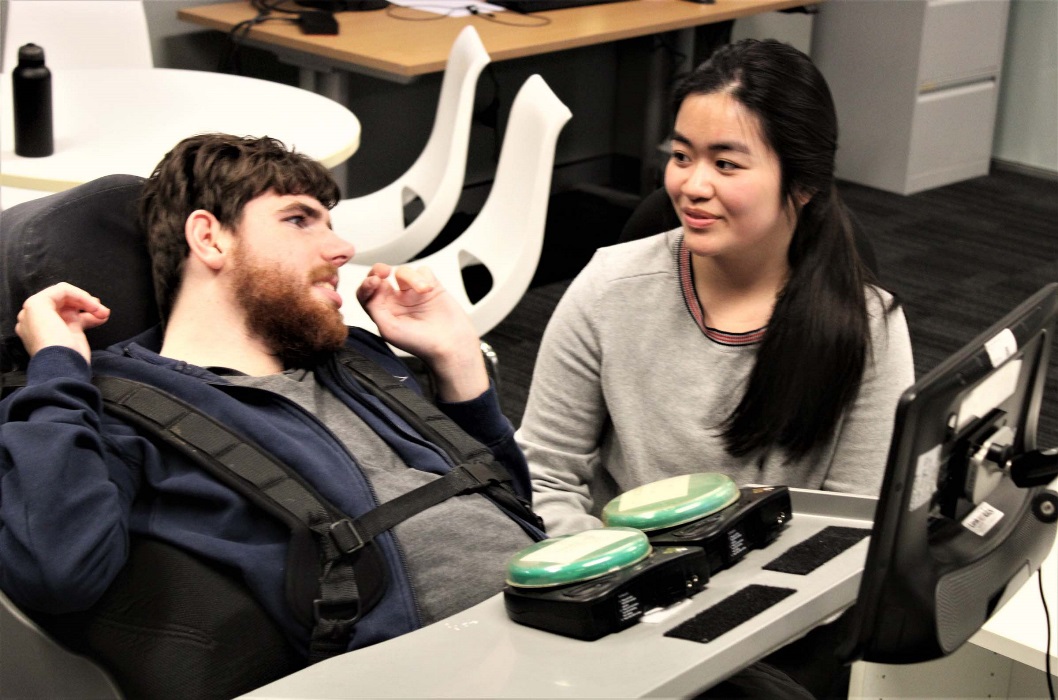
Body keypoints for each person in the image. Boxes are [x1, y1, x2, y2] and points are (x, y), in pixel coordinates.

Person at [0, 134, 544, 663]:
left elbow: (509, 506)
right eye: (298, 219)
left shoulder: (358, 361)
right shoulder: (120, 407)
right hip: (452, 668)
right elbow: (58, 572)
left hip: (563, 604)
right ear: (210, 238)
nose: (342, 248)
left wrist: (457, 360)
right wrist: (57, 367)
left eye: (330, 223)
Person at [518, 38, 916, 536]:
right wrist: (615, 571)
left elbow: (857, 521)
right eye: (682, 155)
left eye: (726, 164)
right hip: (623, 583)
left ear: (803, 184)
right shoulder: (610, 287)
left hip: (783, 592)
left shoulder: (868, 323)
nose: (692, 186)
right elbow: (544, 478)